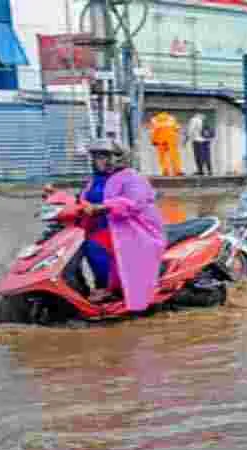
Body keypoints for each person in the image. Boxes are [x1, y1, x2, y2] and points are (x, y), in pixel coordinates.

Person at [46, 139, 166, 310]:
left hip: (131, 229)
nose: (97, 161)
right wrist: (57, 197)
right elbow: (81, 200)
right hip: (101, 227)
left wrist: (103, 207)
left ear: (117, 158)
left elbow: (133, 202)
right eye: (95, 157)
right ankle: (92, 287)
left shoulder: (132, 178)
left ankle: (111, 289)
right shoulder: (96, 180)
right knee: (76, 245)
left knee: (95, 245)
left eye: (102, 156)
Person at [149, 111, 183, 177]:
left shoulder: (154, 120)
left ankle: (166, 171)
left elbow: (153, 131)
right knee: (174, 156)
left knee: (162, 157)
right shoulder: (171, 118)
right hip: (172, 139)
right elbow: (177, 128)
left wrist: (153, 141)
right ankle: (177, 171)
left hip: (161, 140)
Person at [186, 112, 214, 176]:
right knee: (207, 156)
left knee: (198, 156)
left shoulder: (194, 120)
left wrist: (186, 139)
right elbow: (211, 131)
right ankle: (210, 171)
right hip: (206, 141)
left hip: (197, 141)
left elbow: (190, 130)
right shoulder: (206, 119)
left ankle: (200, 171)